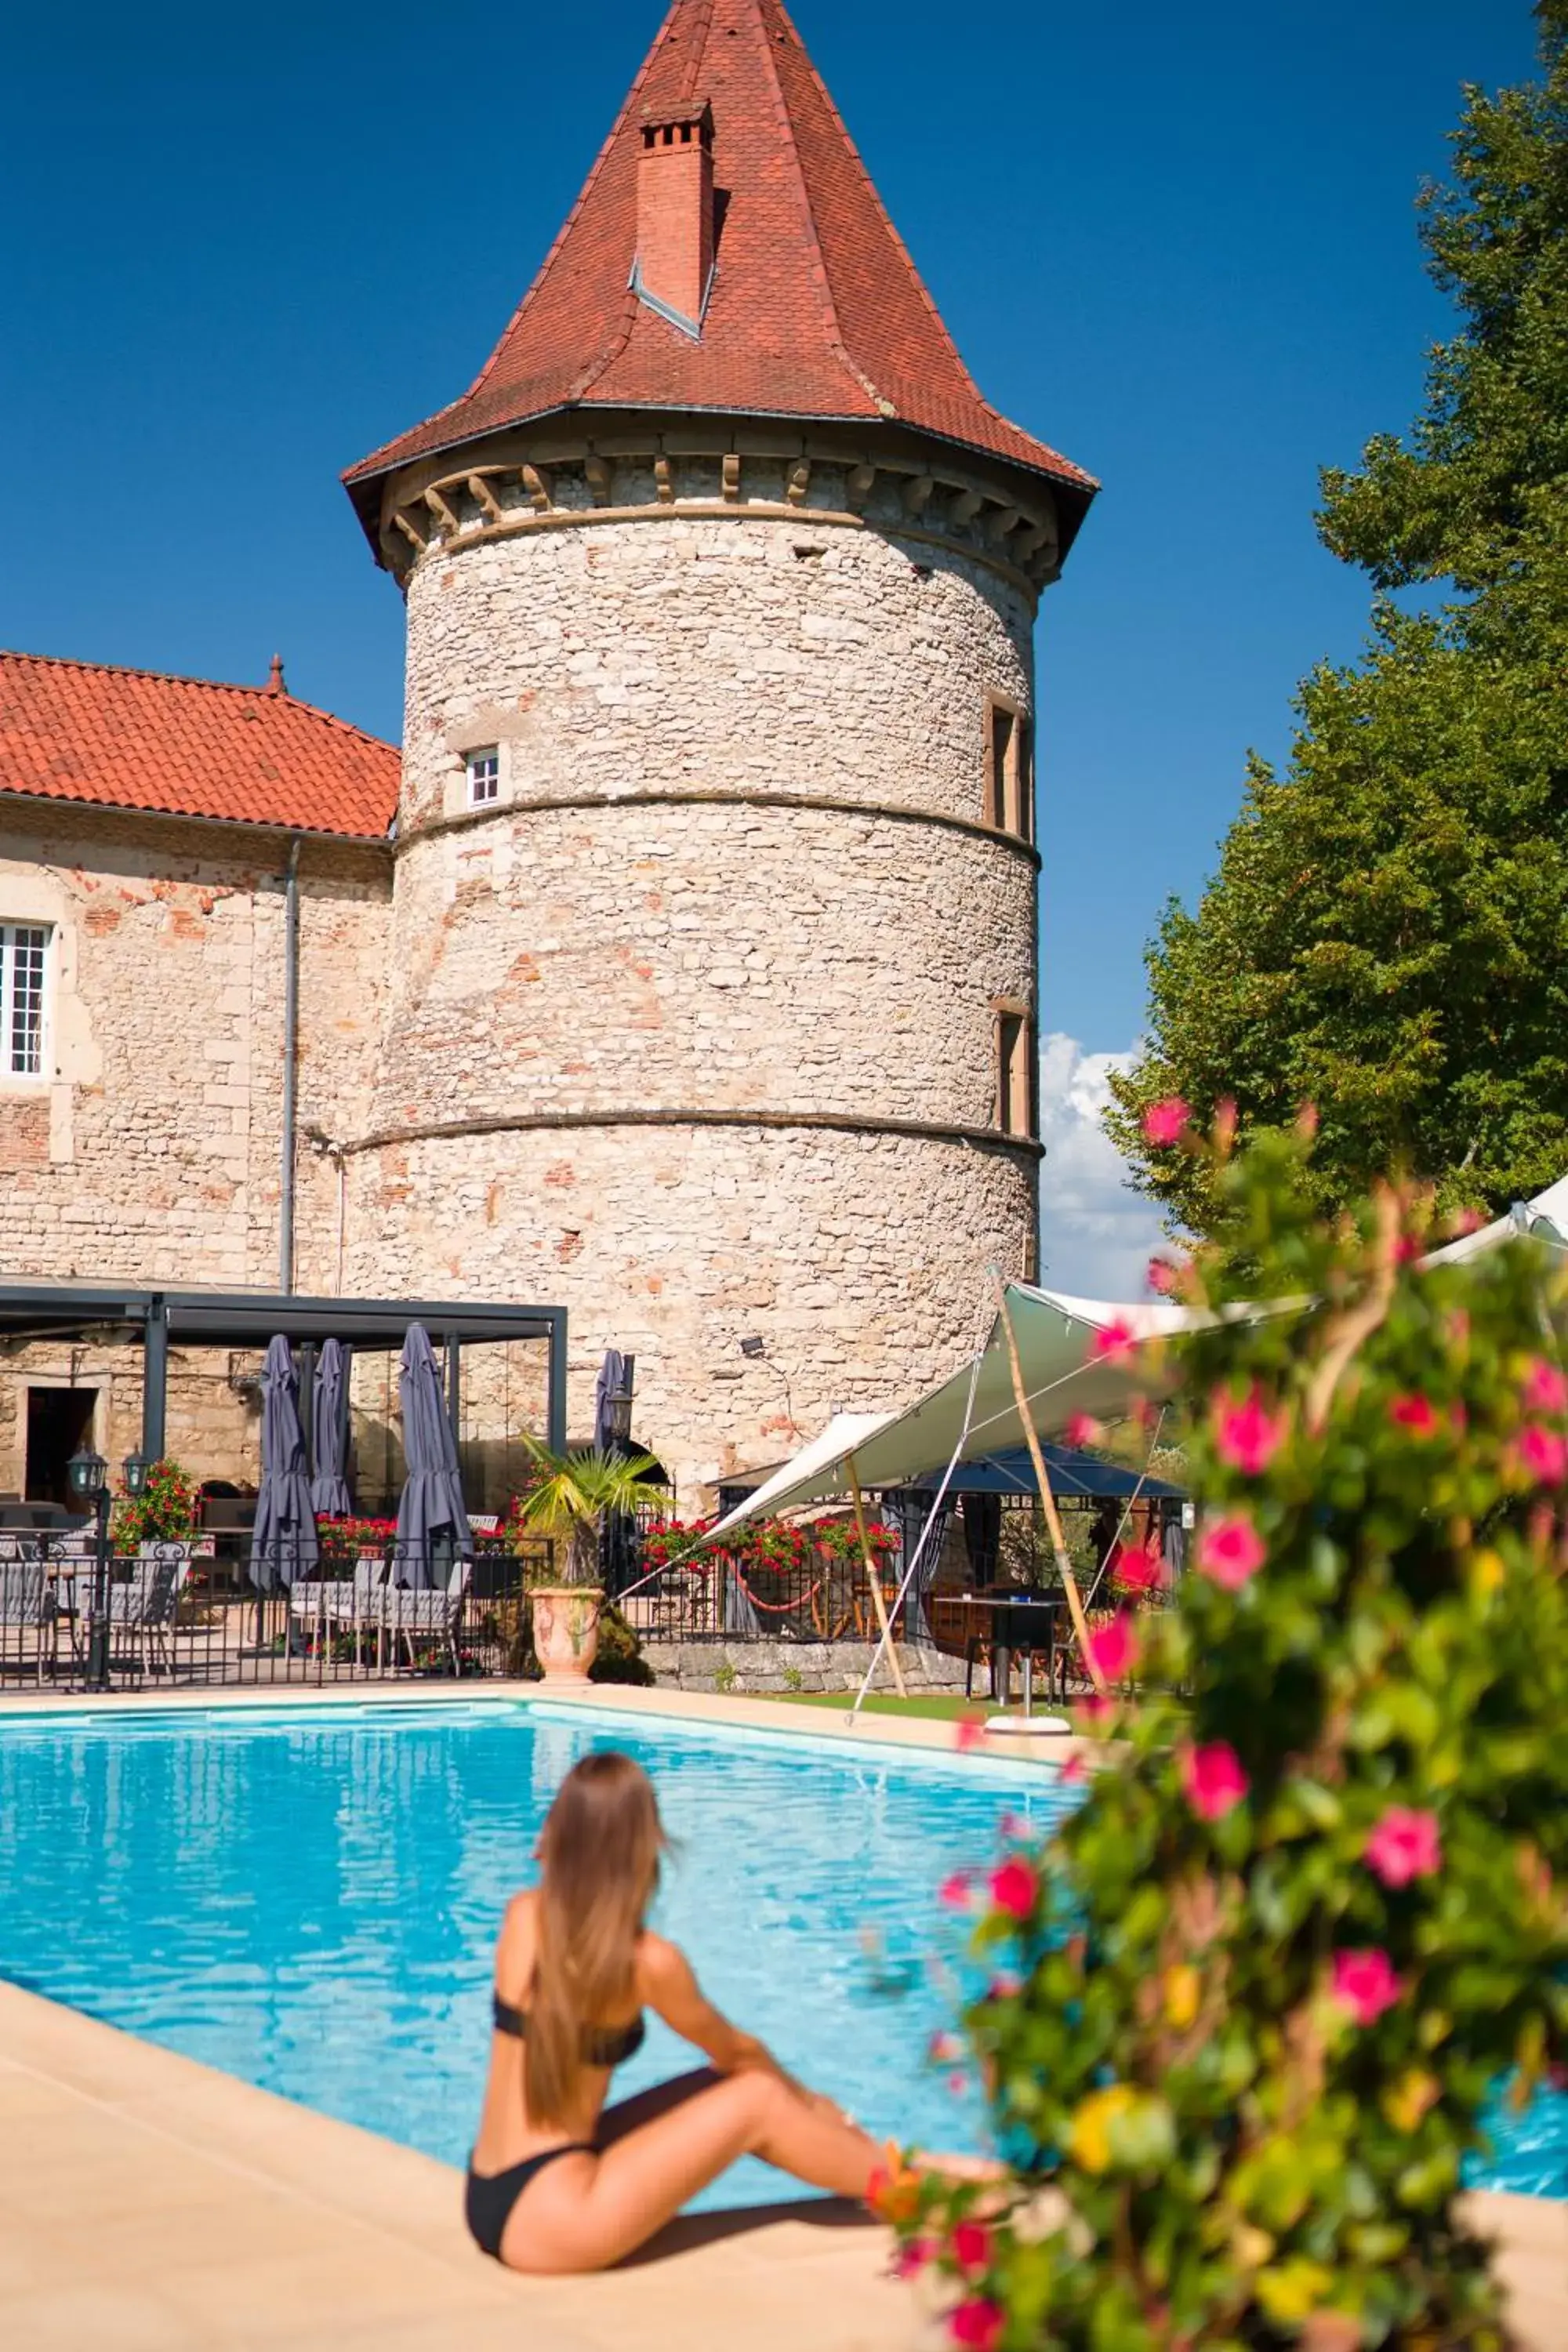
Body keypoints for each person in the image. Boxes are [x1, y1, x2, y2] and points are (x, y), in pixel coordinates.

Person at [466, 1750, 948, 2274]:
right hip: (554, 2219)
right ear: (641, 1845)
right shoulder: (647, 1961)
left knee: (714, 2085)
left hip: (491, 2192)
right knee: (759, 2097)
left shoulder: (523, 1916)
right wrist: (815, 2103)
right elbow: (739, 2052)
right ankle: (930, 2196)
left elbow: (721, 2067)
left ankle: (895, 2168)